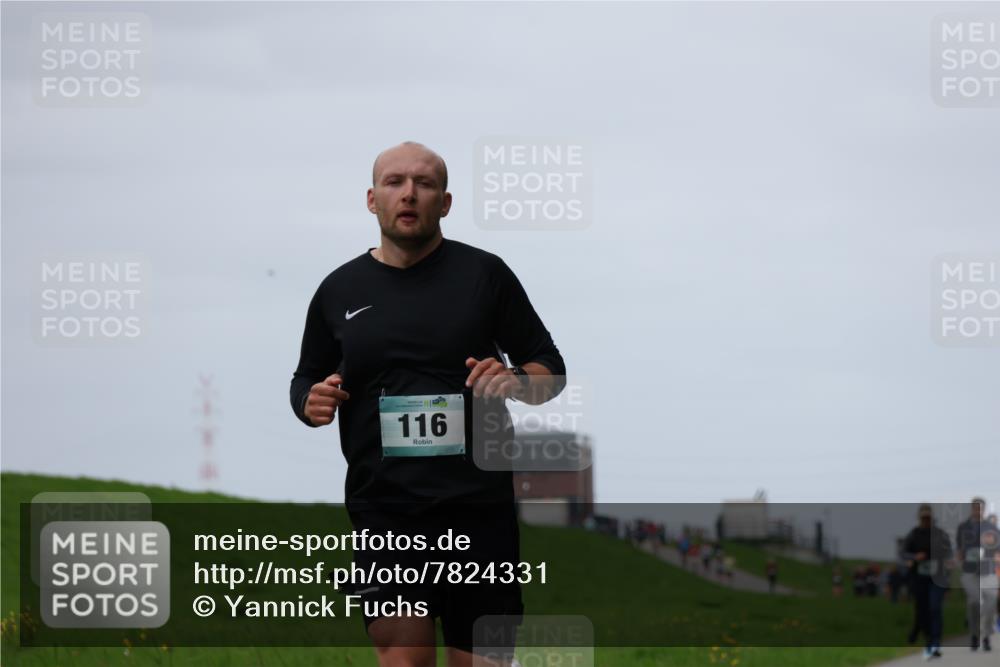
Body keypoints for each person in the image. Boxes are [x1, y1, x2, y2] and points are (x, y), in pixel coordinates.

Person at [289, 142, 566, 667]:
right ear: (372, 199)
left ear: (446, 202)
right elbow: (306, 377)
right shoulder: (338, 290)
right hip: (385, 511)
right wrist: (310, 401)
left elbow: (549, 369)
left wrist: (513, 380)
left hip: (479, 511)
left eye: (425, 183)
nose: (409, 193)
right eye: (394, 182)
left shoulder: (485, 275)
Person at [902, 504, 954, 660]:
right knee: (922, 610)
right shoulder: (914, 534)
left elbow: (949, 554)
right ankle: (928, 639)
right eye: (923, 518)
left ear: (932, 518)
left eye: (928, 518)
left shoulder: (940, 534)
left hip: (937, 578)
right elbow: (903, 553)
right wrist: (914, 557)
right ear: (919, 518)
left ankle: (935, 643)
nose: (926, 520)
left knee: (935, 608)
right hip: (919, 578)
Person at [955, 498, 999, 652]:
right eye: (975, 508)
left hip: (988, 570)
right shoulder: (963, 527)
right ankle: (974, 634)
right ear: (972, 509)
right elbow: (959, 549)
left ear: (984, 510)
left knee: (991, 603)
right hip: (970, 571)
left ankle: (986, 636)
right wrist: (960, 559)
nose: (978, 511)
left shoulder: (992, 527)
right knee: (974, 602)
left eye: (981, 509)